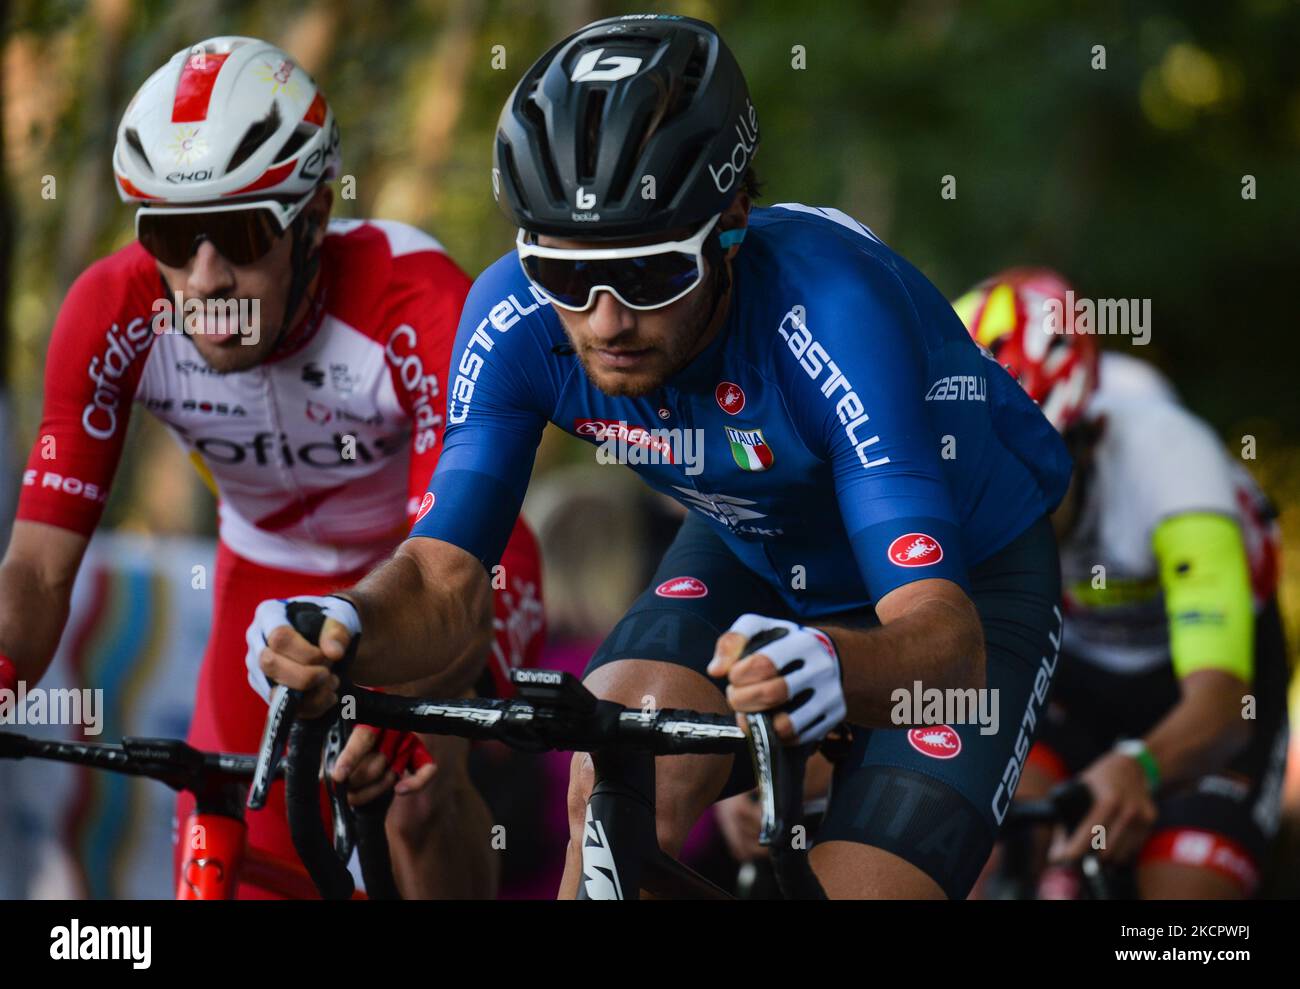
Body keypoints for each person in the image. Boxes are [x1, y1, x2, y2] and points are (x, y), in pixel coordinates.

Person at [249, 14, 1072, 900]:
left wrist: (836, 661)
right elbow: (445, 577)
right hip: (752, 539)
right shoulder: (513, 321)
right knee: (614, 784)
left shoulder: (832, 315)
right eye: (565, 275)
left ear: (732, 221)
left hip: (966, 588)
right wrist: (344, 624)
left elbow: (946, 640)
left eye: (648, 275)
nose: (604, 321)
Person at [0, 36, 545, 899]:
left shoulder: (417, 299)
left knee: (412, 790)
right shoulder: (112, 311)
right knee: (222, 832)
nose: (205, 278)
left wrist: (410, 690)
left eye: (244, 234)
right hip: (266, 580)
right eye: (172, 238)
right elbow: (33, 567)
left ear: (315, 218)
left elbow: (448, 579)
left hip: (443, 564)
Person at [954, 267, 1290, 898]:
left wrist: (1141, 764)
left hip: (1208, 690)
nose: (995, 502)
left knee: (1183, 901)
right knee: (978, 838)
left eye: (1023, 473)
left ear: (1076, 439)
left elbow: (1220, 706)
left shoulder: (1171, 466)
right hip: (1079, 682)